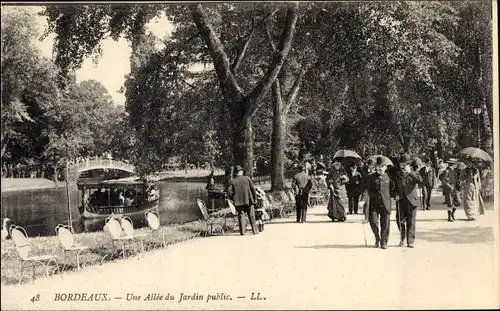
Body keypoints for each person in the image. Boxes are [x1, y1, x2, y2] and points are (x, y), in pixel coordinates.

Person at [359, 157, 395, 249]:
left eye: (382, 166)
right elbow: (366, 190)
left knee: (385, 224)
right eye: (378, 166)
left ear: (385, 167)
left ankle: (384, 242)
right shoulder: (370, 177)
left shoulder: (389, 177)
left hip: (386, 204)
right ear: (376, 166)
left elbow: (393, 189)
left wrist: (396, 195)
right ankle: (377, 237)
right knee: (373, 222)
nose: (380, 168)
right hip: (374, 204)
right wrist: (363, 200)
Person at [395, 153, 423, 248]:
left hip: (412, 200)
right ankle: (402, 238)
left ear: (409, 165)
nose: (403, 166)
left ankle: (410, 241)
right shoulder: (397, 174)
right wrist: (395, 194)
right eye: (401, 164)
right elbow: (394, 187)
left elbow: (421, 181)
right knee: (400, 220)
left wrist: (410, 172)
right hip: (401, 200)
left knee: (411, 221)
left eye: (405, 164)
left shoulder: (414, 173)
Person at [227, 165, 259, 235]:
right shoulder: (247, 178)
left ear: (235, 173)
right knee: (251, 216)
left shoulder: (233, 181)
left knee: (241, 216)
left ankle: (242, 232)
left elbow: (229, 191)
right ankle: (255, 231)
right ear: (241, 171)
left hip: (238, 202)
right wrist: (255, 198)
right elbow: (253, 189)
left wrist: (233, 198)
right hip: (249, 200)